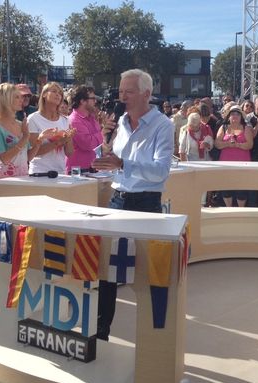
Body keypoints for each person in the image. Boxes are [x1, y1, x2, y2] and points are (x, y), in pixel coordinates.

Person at [91, 69, 173, 341]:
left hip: (146, 205)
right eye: (120, 90)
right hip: (117, 199)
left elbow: (161, 171)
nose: (121, 96)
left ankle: (153, 339)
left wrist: (122, 164)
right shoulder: (120, 123)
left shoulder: (163, 125)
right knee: (107, 269)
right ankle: (101, 332)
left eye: (128, 91)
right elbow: (116, 164)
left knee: (148, 274)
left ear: (146, 94)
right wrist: (105, 155)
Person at [0, 83, 44, 179]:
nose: (21, 100)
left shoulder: (21, 124)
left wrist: (39, 141)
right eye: (17, 97)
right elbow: (4, 159)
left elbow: (28, 157)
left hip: (24, 178)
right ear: (6, 100)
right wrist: (25, 137)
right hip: (6, 180)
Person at [27, 82, 74, 175]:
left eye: (60, 93)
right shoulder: (33, 119)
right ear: (44, 94)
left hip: (60, 173)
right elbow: (34, 153)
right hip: (39, 173)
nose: (58, 95)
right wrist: (58, 142)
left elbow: (69, 153)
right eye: (54, 91)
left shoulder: (65, 120)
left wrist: (68, 139)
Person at [67, 85, 115, 173]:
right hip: (78, 172)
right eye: (92, 98)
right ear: (82, 101)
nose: (95, 101)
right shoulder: (74, 121)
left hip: (92, 170)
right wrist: (103, 132)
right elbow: (89, 144)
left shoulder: (92, 118)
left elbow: (102, 144)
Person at [214, 105, 253, 207]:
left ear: (241, 117)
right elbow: (217, 143)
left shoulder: (246, 128)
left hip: (243, 165)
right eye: (232, 114)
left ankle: (241, 211)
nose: (235, 116)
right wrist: (227, 144)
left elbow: (250, 145)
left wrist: (237, 145)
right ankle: (229, 209)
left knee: (241, 190)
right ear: (228, 117)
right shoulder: (223, 127)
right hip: (225, 165)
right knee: (226, 189)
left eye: (237, 114)